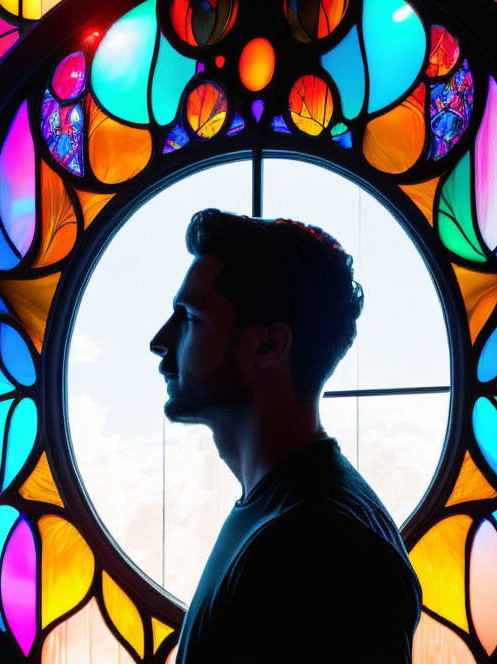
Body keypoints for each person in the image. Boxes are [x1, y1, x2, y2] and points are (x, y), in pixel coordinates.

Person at [149, 209, 422, 663]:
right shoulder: (281, 512)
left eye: (190, 318)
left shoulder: (321, 547)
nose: (160, 340)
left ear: (268, 345)